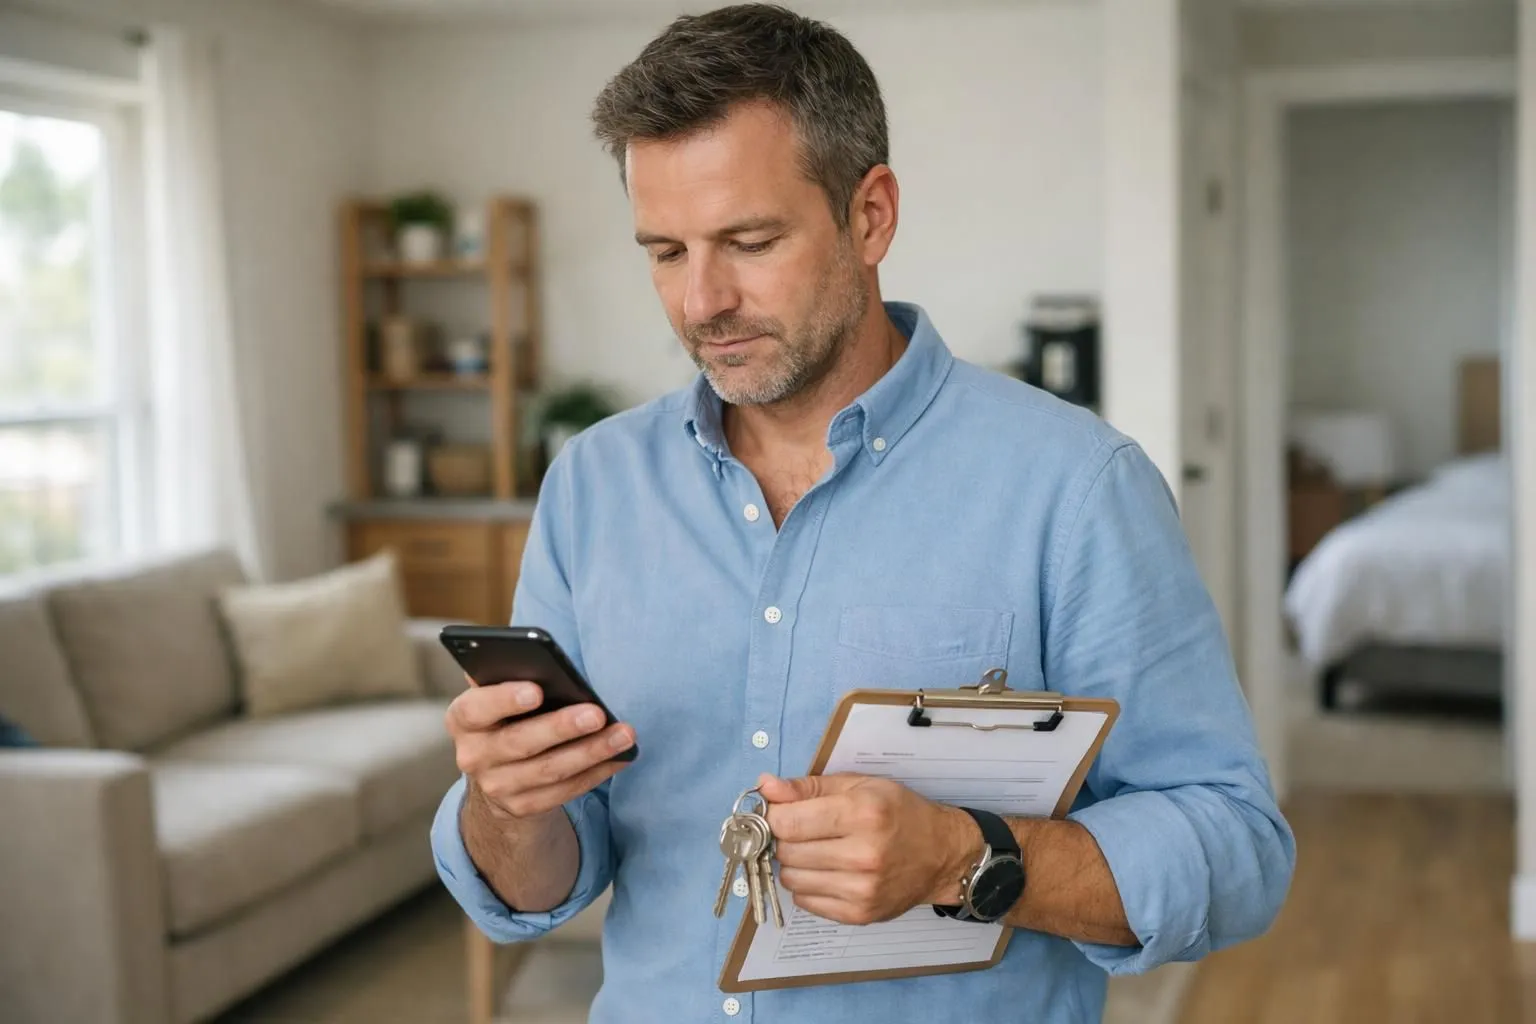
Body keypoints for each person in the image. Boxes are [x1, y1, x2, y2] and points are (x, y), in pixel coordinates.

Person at [431, 4, 1295, 1021]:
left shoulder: (1075, 487)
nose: (700, 301)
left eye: (750, 241)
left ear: (872, 215)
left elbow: (1237, 846)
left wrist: (967, 857)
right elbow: (539, 880)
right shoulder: (591, 486)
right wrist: (507, 803)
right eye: (664, 251)